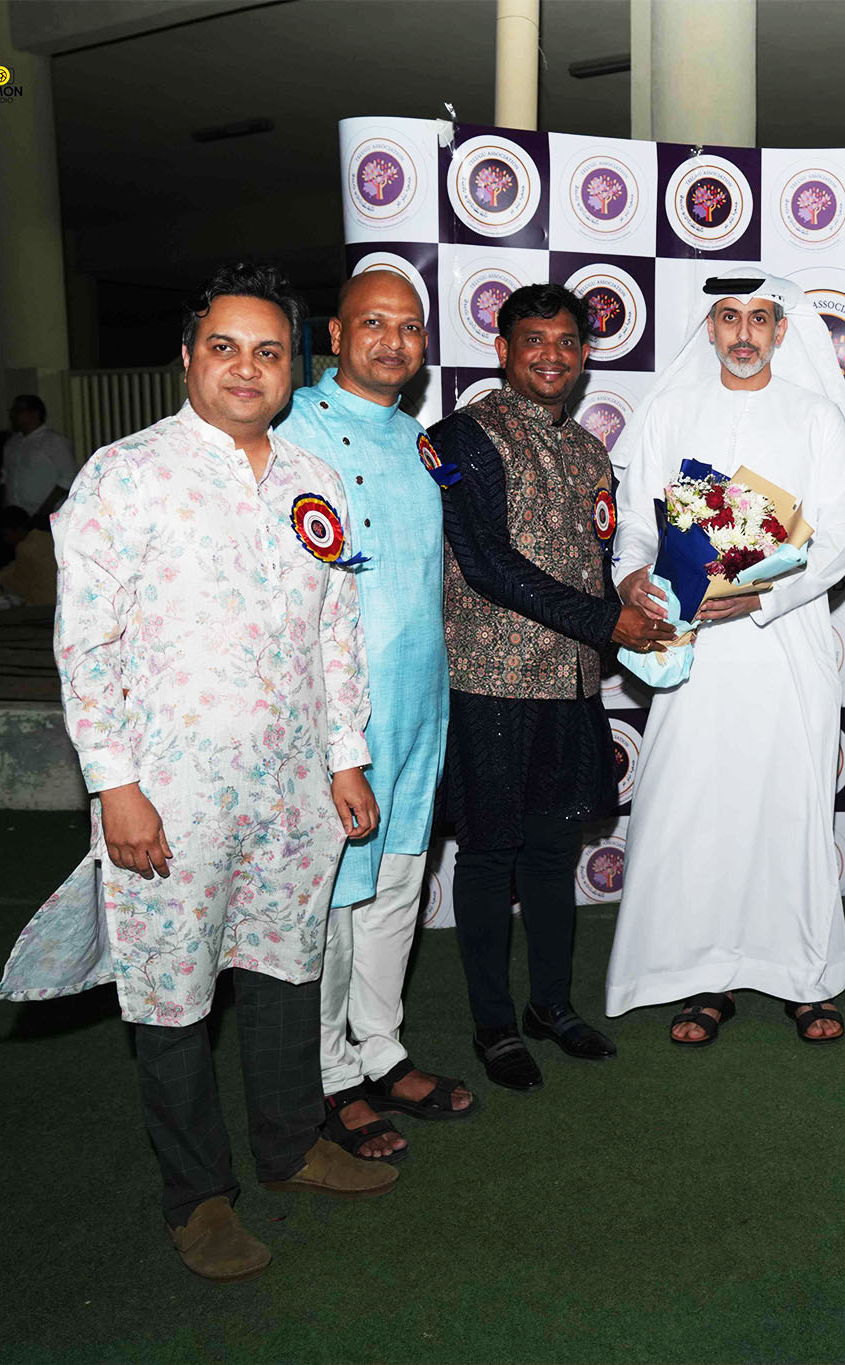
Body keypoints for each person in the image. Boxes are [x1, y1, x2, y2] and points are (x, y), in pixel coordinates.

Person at [0, 262, 397, 1283]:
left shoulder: (314, 477)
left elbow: (337, 630)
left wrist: (346, 758)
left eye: (268, 352)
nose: (246, 369)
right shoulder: (124, 474)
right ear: (186, 357)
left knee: (285, 968)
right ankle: (198, 1198)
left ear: (293, 367)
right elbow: (86, 646)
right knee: (171, 993)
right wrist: (115, 785)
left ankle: (291, 1145)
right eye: (224, 348)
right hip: (169, 793)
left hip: (295, 787)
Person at [606, 274, 845, 1046]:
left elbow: (840, 537)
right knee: (697, 804)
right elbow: (639, 523)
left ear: (781, 331)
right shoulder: (670, 411)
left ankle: (803, 977)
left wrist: (759, 597)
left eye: (758, 318)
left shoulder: (816, 416)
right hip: (694, 644)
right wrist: (631, 574)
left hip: (786, 642)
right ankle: (702, 977)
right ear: (710, 328)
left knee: (790, 802)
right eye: (728, 317)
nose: (743, 333)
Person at [430, 283, 675, 1092]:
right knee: (488, 854)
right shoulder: (462, 437)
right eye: (533, 339)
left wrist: (650, 602)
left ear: (585, 355)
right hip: (490, 682)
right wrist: (607, 622)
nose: (551, 355)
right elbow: (488, 565)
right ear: (503, 349)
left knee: (551, 851)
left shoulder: (589, 453)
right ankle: (494, 1024)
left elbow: (596, 566)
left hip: (569, 684)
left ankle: (551, 1006)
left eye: (567, 341)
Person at [276, 270, 472, 1155]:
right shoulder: (292, 430)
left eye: (410, 327)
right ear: (334, 333)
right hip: (335, 714)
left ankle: (382, 1048)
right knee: (332, 896)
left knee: (396, 884)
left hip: (420, 702)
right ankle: (329, 1074)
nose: (393, 342)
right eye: (374, 323)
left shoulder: (419, 440)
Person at [0, 394, 77, 520]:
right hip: (16, 518)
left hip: (45, 516)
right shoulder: (12, 443)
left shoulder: (53, 441)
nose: (13, 415)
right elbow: (5, 476)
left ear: (35, 414)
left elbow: (69, 477)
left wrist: (45, 509)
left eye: (19, 410)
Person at [0, 505, 58, 606]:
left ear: (18, 529)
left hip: (43, 604)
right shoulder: (49, 537)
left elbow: (21, 584)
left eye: (5, 534)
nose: (6, 540)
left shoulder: (24, 548)